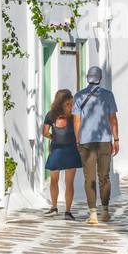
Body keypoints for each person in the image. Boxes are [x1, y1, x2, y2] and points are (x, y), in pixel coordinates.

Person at [73, 65, 119, 225]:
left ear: (87, 77)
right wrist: (116, 139)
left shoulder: (79, 96)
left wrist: (78, 140)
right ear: (100, 78)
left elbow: (77, 120)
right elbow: (112, 118)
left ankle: (93, 214)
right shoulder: (108, 95)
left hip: (86, 142)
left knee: (89, 178)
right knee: (104, 177)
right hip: (104, 140)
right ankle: (105, 211)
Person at [42, 89, 81, 220]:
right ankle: (67, 212)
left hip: (57, 150)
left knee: (55, 180)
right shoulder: (73, 115)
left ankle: (54, 207)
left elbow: (45, 132)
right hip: (70, 150)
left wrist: (53, 137)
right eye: (69, 101)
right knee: (69, 183)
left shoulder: (50, 115)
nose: (71, 103)